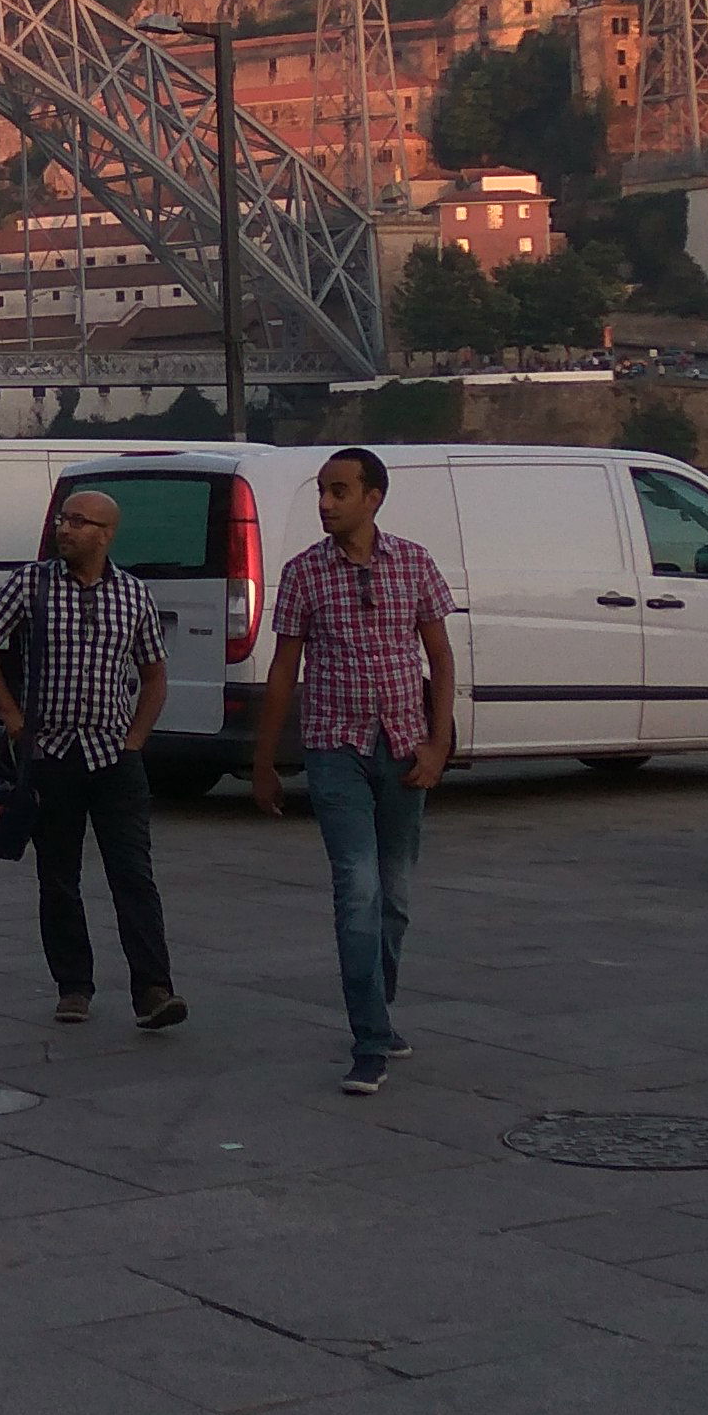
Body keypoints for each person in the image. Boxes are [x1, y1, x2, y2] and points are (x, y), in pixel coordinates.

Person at [252, 445, 456, 1096]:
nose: (326, 503)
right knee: (358, 888)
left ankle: (380, 1007)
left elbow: (440, 659)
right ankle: (368, 1037)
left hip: (402, 748)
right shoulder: (304, 573)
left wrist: (436, 743)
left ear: (374, 498)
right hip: (334, 748)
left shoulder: (415, 563)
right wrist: (263, 758)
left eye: (340, 491)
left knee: (394, 895)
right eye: (323, 491)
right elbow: (285, 669)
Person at [0, 487, 185, 1031]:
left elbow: (155, 673)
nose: (66, 529)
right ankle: (73, 986)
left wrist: (136, 738)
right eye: (64, 519)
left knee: (133, 872)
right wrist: (12, 717)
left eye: (80, 522)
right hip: (51, 754)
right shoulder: (31, 584)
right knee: (58, 874)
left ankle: (153, 990)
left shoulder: (133, 594)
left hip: (114, 756)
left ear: (107, 534)